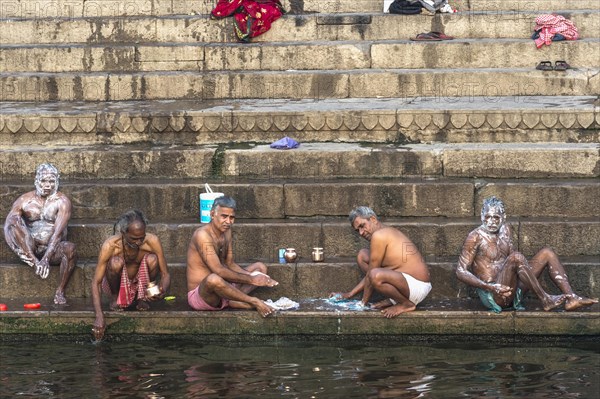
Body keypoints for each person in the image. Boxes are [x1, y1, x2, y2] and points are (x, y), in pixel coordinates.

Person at [456, 196, 598, 313]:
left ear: (503, 217)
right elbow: (460, 271)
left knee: (547, 253)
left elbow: (513, 264)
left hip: (513, 288)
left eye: (496, 217)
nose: (491, 222)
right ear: (482, 216)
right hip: (495, 294)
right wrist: (490, 287)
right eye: (487, 217)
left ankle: (572, 298)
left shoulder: (505, 230)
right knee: (516, 257)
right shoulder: (474, 237)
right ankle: (545, 299)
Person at [331, 206, 432, 318]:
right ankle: (395, 299)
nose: (361, 233)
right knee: (363, 256)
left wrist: (362, 303)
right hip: (407, 284)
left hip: (417, 286)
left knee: (375, 275)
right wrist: (349, 294)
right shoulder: (383, 233)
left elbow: (372, 274)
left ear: (373, 219)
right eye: (357, 230)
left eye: (362, 226)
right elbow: (371, 271)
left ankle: (406, 304)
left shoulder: (379, 236)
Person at [186, 196, 278, 317]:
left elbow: (230, 264)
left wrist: (255, 276)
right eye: (224, 216)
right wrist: (251, 280)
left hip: (223, 287)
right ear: (212, 214)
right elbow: (218, 271)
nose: (228, 222)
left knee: (260, 268)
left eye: (232, 217)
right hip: (204, 296)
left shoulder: (226, 231)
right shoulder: (202, 235)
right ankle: (251, 301)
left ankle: (234, 300)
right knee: (213, 279)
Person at [91, 209, 171, 340]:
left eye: (142, 237)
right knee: (115, 262)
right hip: (115, 283)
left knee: (153, 259)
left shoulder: (152, 241)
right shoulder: (111, 245)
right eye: (134, 239)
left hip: (141, 284)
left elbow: (165, 274)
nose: (139, 242)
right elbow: (96, 282)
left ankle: (142, 298)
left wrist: (162, 290)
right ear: (123, 233)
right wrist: (99, 316)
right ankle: (116, 298)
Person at [3, 163, 77, 305]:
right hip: (30, 247)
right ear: (37, 180)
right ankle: (32, 259)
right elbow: (9, 226)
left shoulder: (62, 201)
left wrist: (46, 258)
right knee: (13, 220)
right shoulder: (24, 200)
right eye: (44, 181)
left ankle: (60, 291)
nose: (47, 185)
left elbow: (58, 233)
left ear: (57, 181)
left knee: (70, 249)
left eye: (51, 181)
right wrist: (33, 260)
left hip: (53, 249)